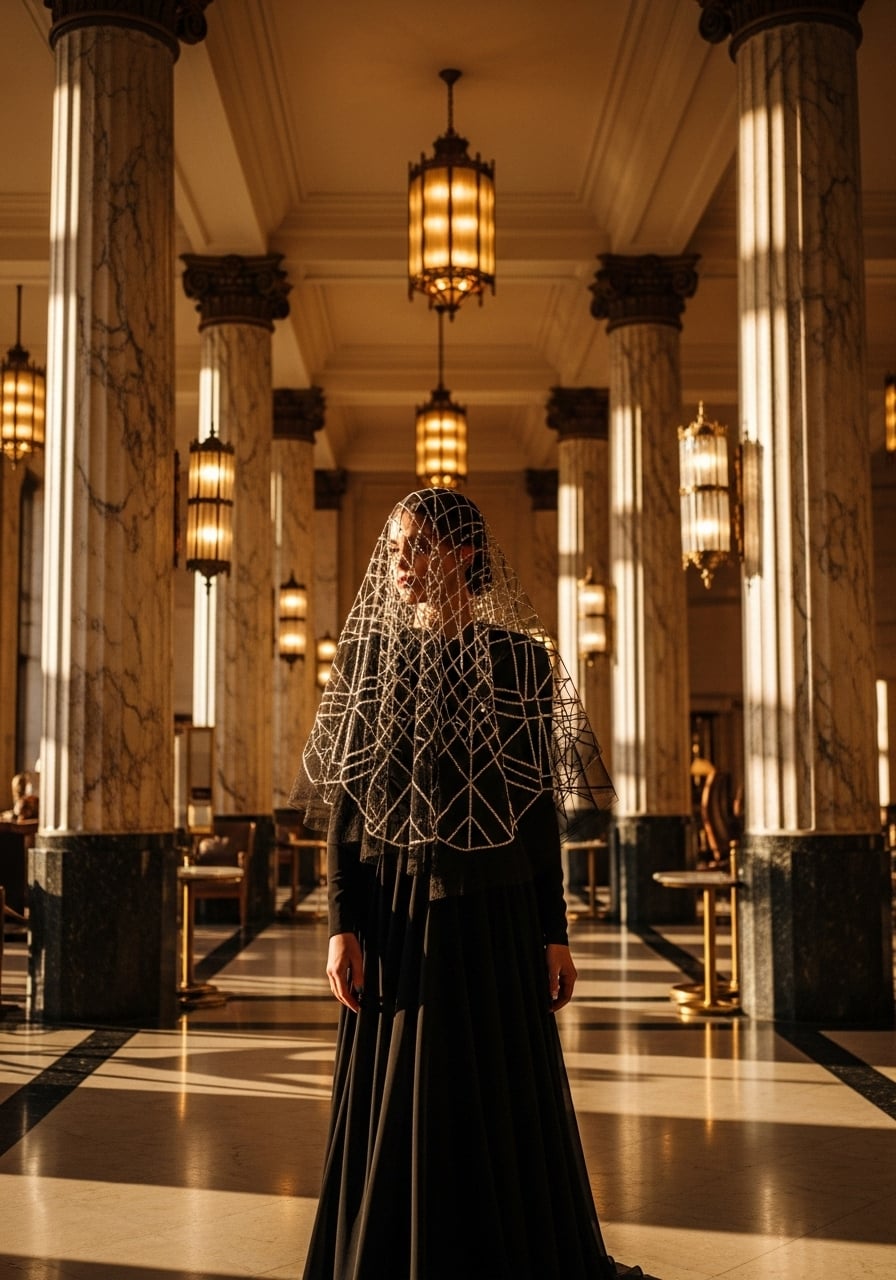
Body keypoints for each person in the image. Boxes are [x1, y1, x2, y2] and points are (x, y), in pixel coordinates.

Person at [291, 487, 658, 1280]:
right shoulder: (369, 660)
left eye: (413, 547)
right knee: (398, 1091)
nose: (398, 565)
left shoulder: (519, 661)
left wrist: (553, 931)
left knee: (492, 1090)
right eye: (392, 549)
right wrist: (341, 921)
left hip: (493, 910)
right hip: (393, 914)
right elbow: (347, 809)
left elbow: (535, 811)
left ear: (460, 553)